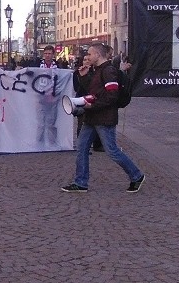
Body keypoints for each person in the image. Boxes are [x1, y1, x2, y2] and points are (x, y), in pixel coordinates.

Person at [62, 42, 145, 193]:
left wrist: (92, 106)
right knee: (81, 149)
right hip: (92, 118)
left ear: (97, 55)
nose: (87, 57)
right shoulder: (97, 70)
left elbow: (111, 96)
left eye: (90, 54)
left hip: (104, 118)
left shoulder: (109, 71)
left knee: (112, 150)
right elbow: (93, 90)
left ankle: (136, 175)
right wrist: (84, 76)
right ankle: (81, 183)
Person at [72, 50, 103, 152]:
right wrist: (82, 77)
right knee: (82, 122)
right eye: (84, 60)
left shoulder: (96, 72)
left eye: (88, 59)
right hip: (82, 99)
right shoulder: (77, 73)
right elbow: (77, 88)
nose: (86, 61)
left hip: (93, 100)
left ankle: (97, 145)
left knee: (97, 122)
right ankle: (82, 145)